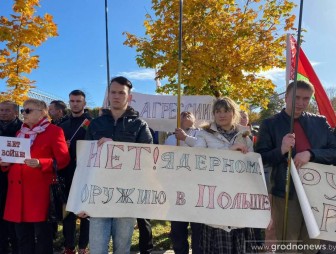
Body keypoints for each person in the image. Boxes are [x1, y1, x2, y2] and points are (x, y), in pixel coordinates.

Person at [255, 80, 336, 253]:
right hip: (286, 194)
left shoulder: (320, 122)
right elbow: (261, 158)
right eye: (296, 97)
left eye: (306, 99)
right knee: (288, 246)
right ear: (286, 97)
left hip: (317, 194)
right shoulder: (270, 124)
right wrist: (281, 150)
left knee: (311, 245)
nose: (301, 103)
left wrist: (311, 154)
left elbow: (334, 151)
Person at [81, 76, 153, 254]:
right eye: (113, 92)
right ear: (108, 95)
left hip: (126, 194)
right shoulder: (96, 124)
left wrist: (116, 147)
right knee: (97, 249)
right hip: (99, 193)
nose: (116, 96)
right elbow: (84, 163)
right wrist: (80, 198)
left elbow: (148, 159)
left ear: (129, 97)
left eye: (121, 93)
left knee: (122, 248)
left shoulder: (140, 125)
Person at [0, 99, 70, 254]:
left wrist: (41, 163)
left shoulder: (54, 131)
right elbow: (15, 159)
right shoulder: (20, 132)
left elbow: (64, 160)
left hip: (38, 193)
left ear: (42, 113)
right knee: (22, 237)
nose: (23, 114)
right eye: (23, 110)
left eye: (28, 110)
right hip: (17, 193)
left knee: (42, 237)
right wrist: (5, 164)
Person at [193, 97, 256, 254]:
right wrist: (229, 151)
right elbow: (200, 160)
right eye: (218, 111)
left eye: (226, 110)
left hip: (239, 197)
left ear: (233, 112)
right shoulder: (203, 134)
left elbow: (252, 165)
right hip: (215, 197)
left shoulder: (245, 134)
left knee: (239, 243)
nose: (222, 115)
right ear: (213, 114)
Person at [164, 111, 202, 254]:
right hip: (177, 187)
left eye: (189, 114)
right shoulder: (170, 138)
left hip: (197, 187)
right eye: (182, 114)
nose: (185, 116)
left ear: (194, 119)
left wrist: (185, 138)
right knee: (178, 229)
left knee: (198, 228)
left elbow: (204, 149)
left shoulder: (202, 135)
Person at [59, 90, 92, 254]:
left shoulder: (93, 123)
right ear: (69, 103)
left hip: (87, 174)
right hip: (67, 174)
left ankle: (83, 246)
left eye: (78, 101)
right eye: (72, 101)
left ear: (84, 103)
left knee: (86, 213)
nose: (75, 103)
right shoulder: (62, 125)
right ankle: (69, 246)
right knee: (69, 213)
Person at [0, 101, 22, 254]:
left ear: (16, 112)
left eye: (7, 110)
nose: (3, 113)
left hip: (16, 178)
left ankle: (17, 247)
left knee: (15, 216)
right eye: (1, 110)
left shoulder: (23, 129)